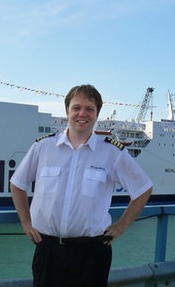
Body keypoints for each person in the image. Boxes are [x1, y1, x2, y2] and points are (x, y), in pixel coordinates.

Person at [10, 84, 153, 287]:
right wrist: (25, 222)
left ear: (97, 114)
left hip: (93, 251)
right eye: (76, 108)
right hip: (49, 248)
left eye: (89, 109)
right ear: (67, 111)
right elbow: (17, 183)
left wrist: (122, 225)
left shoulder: (111, 152)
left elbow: (143, 188)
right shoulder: (44, 147)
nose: (82, 114)